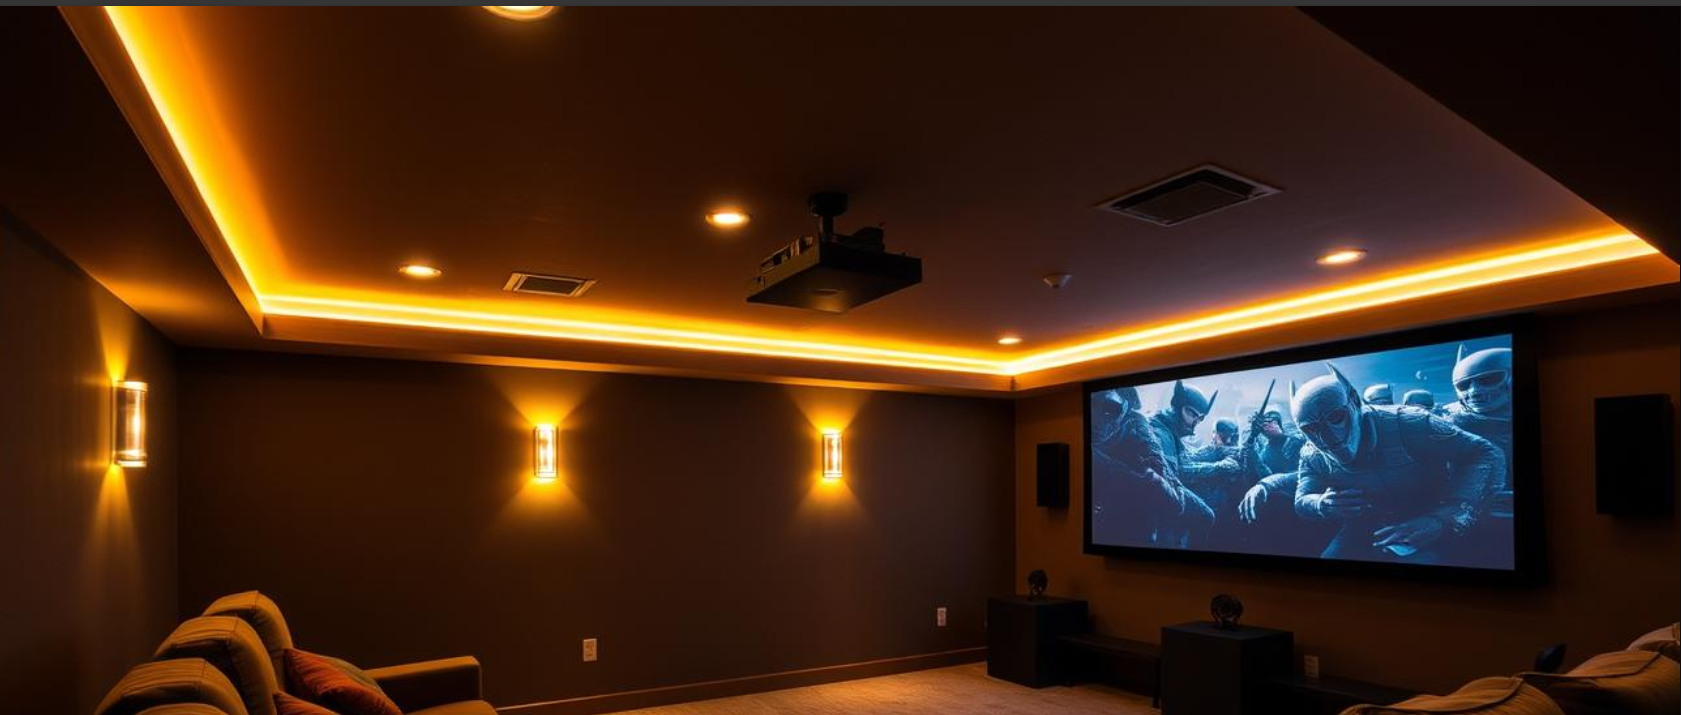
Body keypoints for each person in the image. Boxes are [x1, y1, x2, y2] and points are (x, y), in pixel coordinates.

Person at [1291, 363, 1505, 565]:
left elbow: (1486, 453)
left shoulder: (1411, 422)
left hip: (1430, 512)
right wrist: (1321, 504)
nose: (1328, 437)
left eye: (1335, 417)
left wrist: (1444, 519)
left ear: (1355, 403)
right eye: (1312, 429)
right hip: (1367, 524)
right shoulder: (1311, 454)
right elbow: (1302, 500)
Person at [1089, 387, 1206, 548]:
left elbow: (1165, 467)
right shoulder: (1159, 430)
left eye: (1199, 418)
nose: (1096, 418)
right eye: (1191, 413)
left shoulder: (1138, 422)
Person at [1442, 345, 1516, 565]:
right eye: (1464, 385)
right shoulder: (1447, 425)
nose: (1474, 392)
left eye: (1488, 379)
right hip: (1464, 519)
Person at [1146, 380, 1225, 547]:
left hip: (1165, 496)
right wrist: (1220, 467)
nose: (1194, 423)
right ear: (1177, 407)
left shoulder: (1170, 432)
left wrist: (1216, 451)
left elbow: (1186, 458)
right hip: (1159, 503)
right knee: (1206, 516)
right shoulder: (1162, 434)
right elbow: (1180, 472)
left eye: (1199, 418)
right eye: (1191, 413)